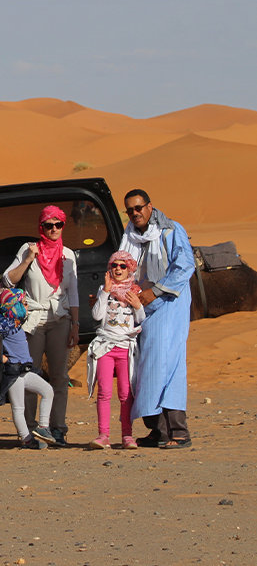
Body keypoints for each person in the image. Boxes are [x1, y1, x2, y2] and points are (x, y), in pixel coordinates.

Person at [119, 189, 195, 448]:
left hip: (169, 303)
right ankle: (157, 431)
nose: (135, 213)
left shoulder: (171, 230)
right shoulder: (129, 235)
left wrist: (156, 291)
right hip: (141, 305)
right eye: (130, 210)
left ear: (150, 207)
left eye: (138, 208)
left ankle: (179, 431)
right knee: (143, 367)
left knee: (166, 363)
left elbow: (184, 266)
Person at [2, 205, 80, 447]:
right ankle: (30, 430)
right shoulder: (28, 249)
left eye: (59, 225)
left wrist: (76, 325)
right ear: (41, 227)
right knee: (28, 375)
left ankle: (57, 429)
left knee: (59, 376)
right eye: (49, 225)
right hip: (33, 321)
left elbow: (73, 292)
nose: (54, 229)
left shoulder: (68, 255)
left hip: (61, 320)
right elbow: (7, 279)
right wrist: (28, 260)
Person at [86, 251, 145, 449]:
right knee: (104, 391)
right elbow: (96, 316)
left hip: (125, 347)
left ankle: (127, 435)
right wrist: (104, 292)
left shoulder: (135, 291)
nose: (118, 269)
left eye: (122, 266)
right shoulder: (104, 289)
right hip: (105, 346)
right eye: (114, 265)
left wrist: (138, 306)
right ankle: (103, 435)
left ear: (129, 269)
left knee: (126, 393)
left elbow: (141, 320)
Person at [0, 287, 57, 449]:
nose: (26, 307)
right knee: (19, 407)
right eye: (23, 303)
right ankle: (26, 439)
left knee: (48, 391)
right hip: (13, 373)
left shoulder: (15, 322)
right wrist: (3, 359)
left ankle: (42, 428)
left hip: (24, 371)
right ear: (12, 305)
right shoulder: (3, 323)